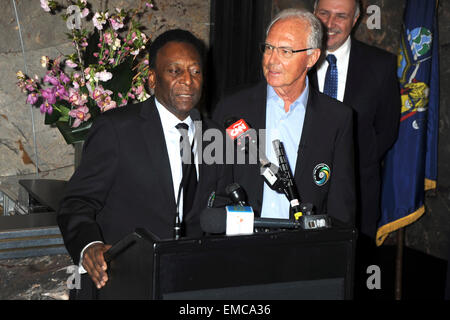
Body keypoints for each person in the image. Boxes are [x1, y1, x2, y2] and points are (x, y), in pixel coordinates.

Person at [57, 29, 230, 299]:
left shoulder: (216, 136)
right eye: (175, 71)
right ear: (152, 78)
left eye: (196, 72)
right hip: (123, 283)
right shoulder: (116, 129)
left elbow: (217, 209)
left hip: (190, 286)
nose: (188, 80)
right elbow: (76, 203)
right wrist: (90, 245)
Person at [213, 9, 356, 226]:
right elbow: (216, 188)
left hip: (302, 250)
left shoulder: (336, 119)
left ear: (312, 57)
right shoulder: (233, 108)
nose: (272, 60)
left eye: (286, 51)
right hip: (240, 248)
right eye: (269, 48)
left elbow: (341, 206)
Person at [310, 0, 401, 239]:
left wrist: (350, 164)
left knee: (352, 271)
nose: (330, 23)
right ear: (313, 13)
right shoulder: (291, 59)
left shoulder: (381, 65)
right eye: (324, 13)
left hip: (359, 195)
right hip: (300, 193)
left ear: (355, 20)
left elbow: (387, 130)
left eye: (341, 16)